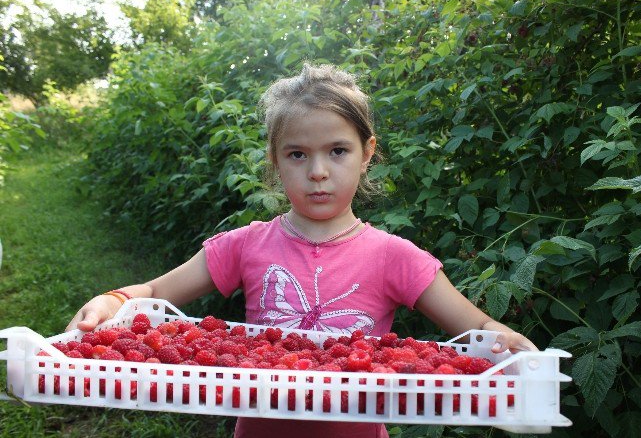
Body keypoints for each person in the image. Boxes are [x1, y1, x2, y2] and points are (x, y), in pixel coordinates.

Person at [66, 63, 537, 438]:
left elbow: (475, 326)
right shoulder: (245, 245)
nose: (317, 171)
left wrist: (506, 340)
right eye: (297, 154)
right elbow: (151, 291)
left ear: (367, 152)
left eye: (337, 151)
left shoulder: (396, 256)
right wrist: (114, 300)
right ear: (275, 160)